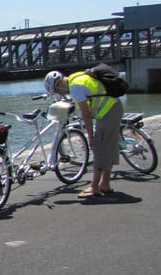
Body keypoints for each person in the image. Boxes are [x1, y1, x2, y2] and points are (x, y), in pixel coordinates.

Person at [44, 69, 124, 199]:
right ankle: (105, 184)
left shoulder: (75, 88)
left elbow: (86, 114)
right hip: (113, 107)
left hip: (108, 111)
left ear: (59, 84)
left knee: (99, 147)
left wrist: (91, 136)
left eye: (57, 91)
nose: (59, 94)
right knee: (109, 147)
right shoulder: (78, 77)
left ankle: (94, 187)